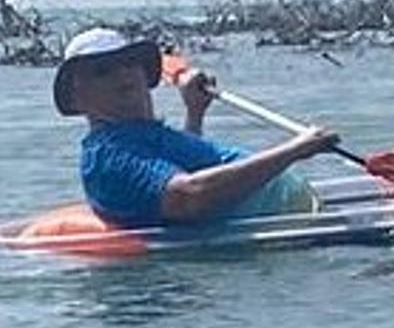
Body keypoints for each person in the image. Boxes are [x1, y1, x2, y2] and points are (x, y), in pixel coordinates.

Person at [54, 27, 335, 226]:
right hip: (290, 230)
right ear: (78, 97)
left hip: (296, 213)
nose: (123, 74)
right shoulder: (111, 155)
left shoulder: (139, 133)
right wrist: (294, 150)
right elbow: (189, 197)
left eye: (128, 63)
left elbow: (186, 171)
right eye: (103, 71)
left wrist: (195, 112)